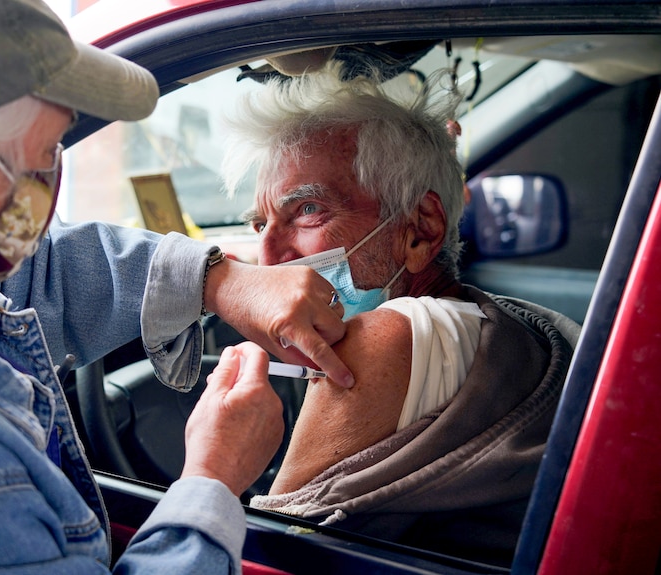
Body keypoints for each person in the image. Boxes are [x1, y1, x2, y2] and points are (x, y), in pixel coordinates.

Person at [0, 2, 354, 573]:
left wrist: (219, 279)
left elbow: (40, 272)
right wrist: (212, 480)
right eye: (45, 154)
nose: (49, 181)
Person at [220, 58, 581, 566]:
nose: (269, 256)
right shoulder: (495, 321)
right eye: (262, 223)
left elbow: (266, 561)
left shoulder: (386, 336)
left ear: (420, 230)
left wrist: (211, 471)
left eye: (306, 210)